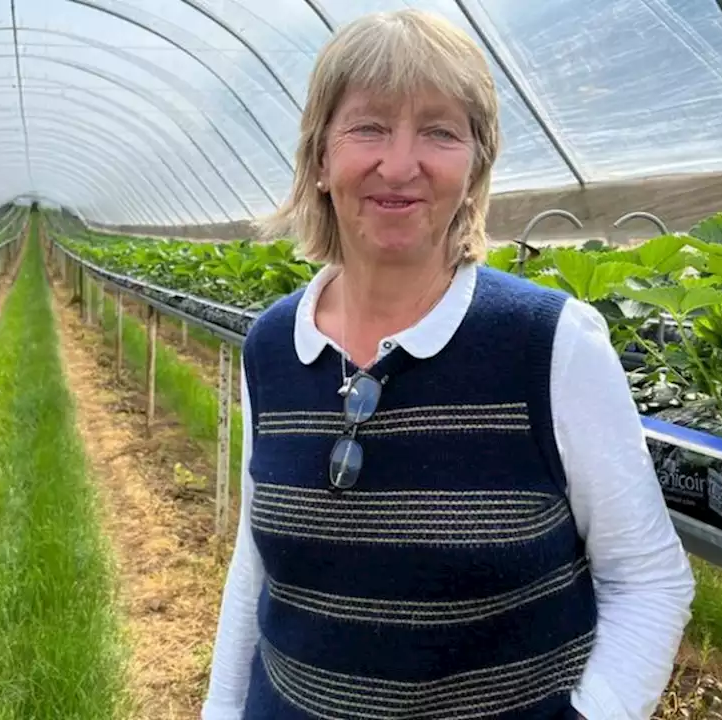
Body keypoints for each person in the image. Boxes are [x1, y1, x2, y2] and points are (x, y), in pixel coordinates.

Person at [200, 9, 695, 720]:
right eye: (368, 126)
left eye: (440, 132)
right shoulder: (274, 345)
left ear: (474, 167)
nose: (399, 165)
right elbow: (257, 564)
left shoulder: (550, 345)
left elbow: (646, 578)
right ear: (318, 157)